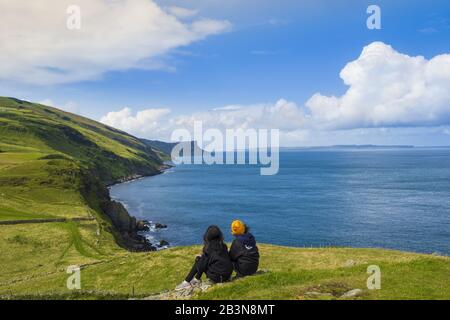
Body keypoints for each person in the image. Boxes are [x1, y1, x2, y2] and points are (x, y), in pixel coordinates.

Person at [175, 225, 233, 291]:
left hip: (217, 278)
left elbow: (202, 265)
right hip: (227, 275)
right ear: (219, 235)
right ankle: (196, 279)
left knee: (199, 260)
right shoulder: (223, 246)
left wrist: (198, 259)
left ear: (208, 235)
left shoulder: (208, 248)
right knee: (203, 260)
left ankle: (186, 281)